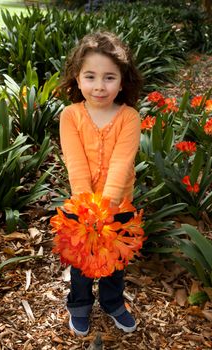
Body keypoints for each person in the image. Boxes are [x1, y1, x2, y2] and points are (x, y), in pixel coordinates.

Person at [59, 31, 142, 336]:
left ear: (123, 81)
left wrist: (106, 208)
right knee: (82, 265)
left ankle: (112, 302)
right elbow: (76, 163)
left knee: (115, 263)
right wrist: (87, 209)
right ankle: (79, 305)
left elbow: (122, 163)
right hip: (81, 210)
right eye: (90, 76)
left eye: (109, 77)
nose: (99, 86)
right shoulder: (71, 116)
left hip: (119, 206)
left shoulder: (129, 117)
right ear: (77, 79)